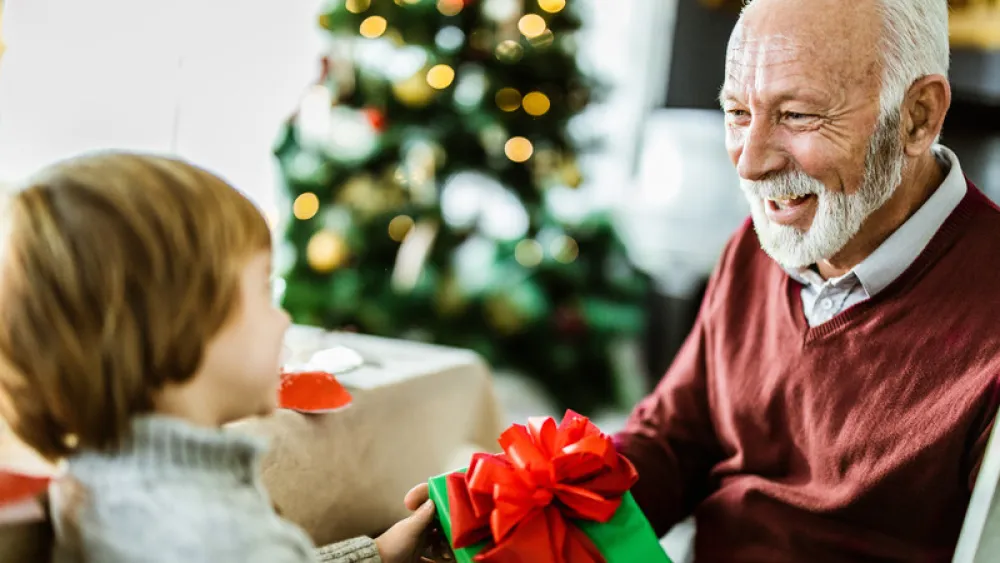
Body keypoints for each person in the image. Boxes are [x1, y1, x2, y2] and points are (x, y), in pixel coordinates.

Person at [408, 0, 1000, 560]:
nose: (749, 161)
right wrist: (520, 512)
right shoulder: (759, 243)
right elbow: (673, 441)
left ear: (918, 117)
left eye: (797, 115)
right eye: (738, 113)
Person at [0, 153, 436, 563]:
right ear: (180, 326)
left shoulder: (99, 470)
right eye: (265, 291)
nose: (284, 319)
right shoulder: (218, 534)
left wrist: (377, 553)